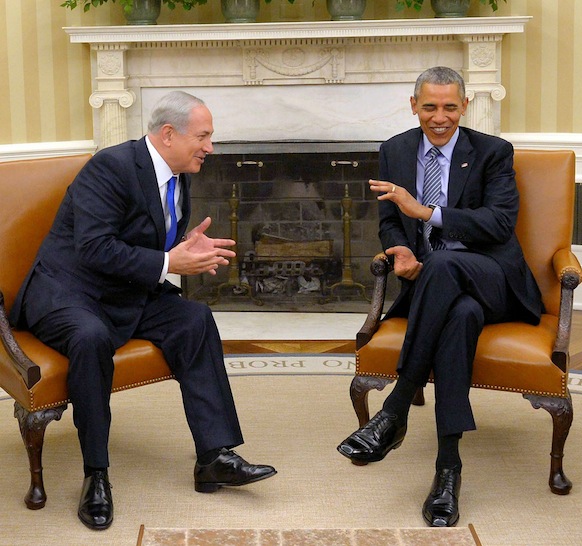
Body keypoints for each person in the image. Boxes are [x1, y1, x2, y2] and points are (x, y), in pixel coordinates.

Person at [10, 91, 276, 531]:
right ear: (168, 134)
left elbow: (139, 237)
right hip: (66, 291)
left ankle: (214, 456)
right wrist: (170, 263)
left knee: (195, 319)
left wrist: (181, 247)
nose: (210, 147)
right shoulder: (110, 167)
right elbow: (93, 247)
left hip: (122, 290)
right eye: (204, 137)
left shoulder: (176, 171)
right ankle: (96, 475)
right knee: (91, 337)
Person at [337, 67, 543, 527]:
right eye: (430, 106)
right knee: (460, 316)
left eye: (450, 107)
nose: (440, 117)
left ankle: (395, 409)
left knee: (447, 264)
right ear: (414, 106)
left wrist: (426, 213)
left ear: (464, 106)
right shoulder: (395, 150)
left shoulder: (492, 151)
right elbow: (389, 222)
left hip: (495, 280)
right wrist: (403, 249)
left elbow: (499, 224)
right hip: (438, 291)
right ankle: (447, 471)